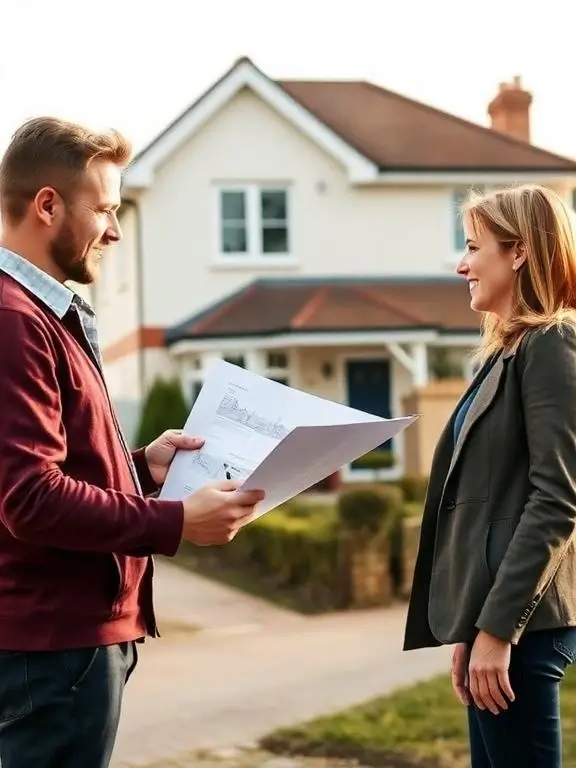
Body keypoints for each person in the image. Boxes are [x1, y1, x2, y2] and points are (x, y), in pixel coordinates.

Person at [0, 117, 265, 768]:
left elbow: (53, 464)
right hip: (55, 651)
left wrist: (143, 465)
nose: (115, 231)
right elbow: (29, 498)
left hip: (64, 650)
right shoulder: (14, 321)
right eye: (107, 210)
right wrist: (174, 520)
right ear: (48, 205)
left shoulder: (39, 313)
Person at [403, 184, 576, 768]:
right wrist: (471, 628)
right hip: (497, 625)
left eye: (474, 247)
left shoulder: (553, 343)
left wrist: (499, 629)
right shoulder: (507, 351)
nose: (462, 264)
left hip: (522, 628)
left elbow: (557, 499)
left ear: (520, 252)